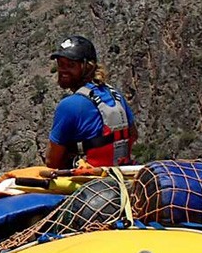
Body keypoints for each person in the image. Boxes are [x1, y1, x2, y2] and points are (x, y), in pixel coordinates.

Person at [45, 35, 138, 169]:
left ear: (87, 67)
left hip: (90, 176)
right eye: (61, 64)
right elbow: (133, 135)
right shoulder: (115, 95)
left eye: (71, 65)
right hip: (121, 171)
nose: (63, 70)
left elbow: (51, 161)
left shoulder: (69, 105)